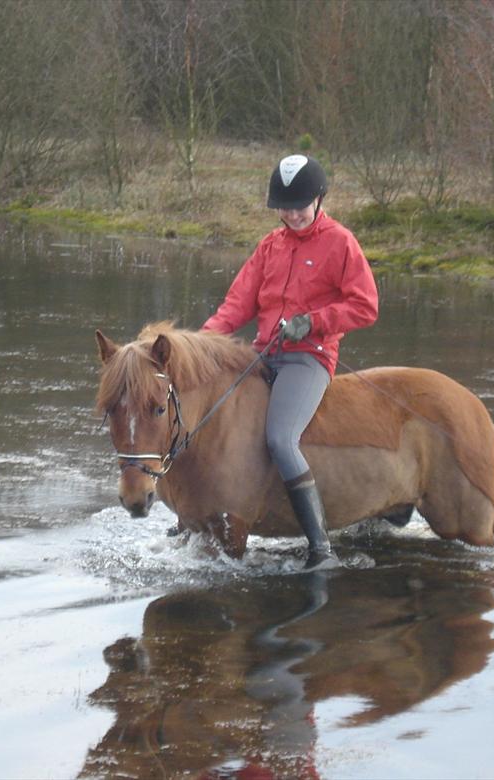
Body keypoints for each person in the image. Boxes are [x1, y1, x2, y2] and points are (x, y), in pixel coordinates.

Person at [202, 154, 379, 570]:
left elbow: (365, 306)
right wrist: (200, 342)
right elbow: (237, 304)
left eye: (299, 206)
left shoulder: (341, 243)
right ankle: (196, 516)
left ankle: (321, 548)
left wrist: (315, 322)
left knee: (280, 439)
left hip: (308, 358)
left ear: (319, 199)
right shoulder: (270, 245)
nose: (292, 215)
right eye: (284, 207)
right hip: (263, 353)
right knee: (209, 414)